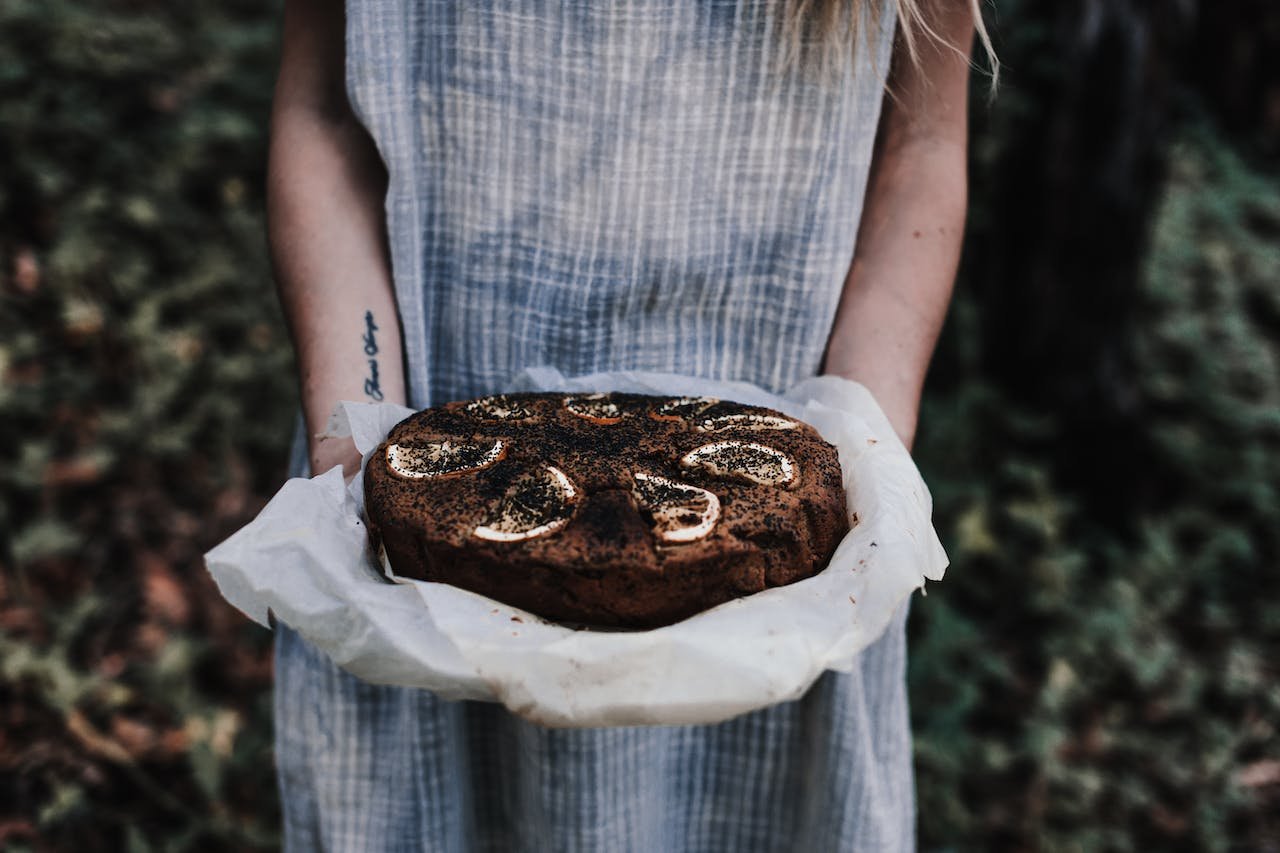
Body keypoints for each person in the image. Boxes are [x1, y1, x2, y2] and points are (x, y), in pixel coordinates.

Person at [266, 0, 992, 849]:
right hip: (417, 568)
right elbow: (324, 111)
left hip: (781, 592)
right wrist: (354, 434)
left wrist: (861, 440)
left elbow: (923, 141)